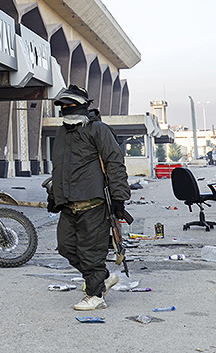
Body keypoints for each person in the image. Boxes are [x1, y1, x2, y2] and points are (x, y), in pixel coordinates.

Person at [48, 85, 130, 311]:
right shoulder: (62, 133)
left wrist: (119, 198)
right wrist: (55, 196)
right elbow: (60, 168)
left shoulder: (98, 130)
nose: (66, 109)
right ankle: (102, 277)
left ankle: (96, 295)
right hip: (68, 205)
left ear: (83, 106)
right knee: (66, 248)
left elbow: (114, 164)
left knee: (91, 252)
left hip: (94, 204)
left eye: (70, 105)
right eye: (62, 106)